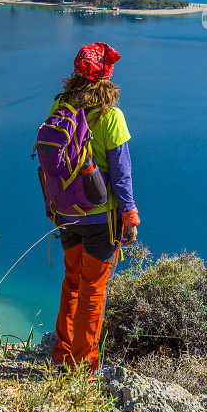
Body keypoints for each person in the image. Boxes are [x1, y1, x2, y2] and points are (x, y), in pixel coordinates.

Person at [48, 42, 140, 372]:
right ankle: (82, 368)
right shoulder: (110, 116)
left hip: (64, 215)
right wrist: (129, 215)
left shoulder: (60, 106)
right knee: (93, 290)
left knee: (71, 281)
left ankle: (61, 355)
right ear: (106, 77)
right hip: (102, 220)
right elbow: (121, 173)